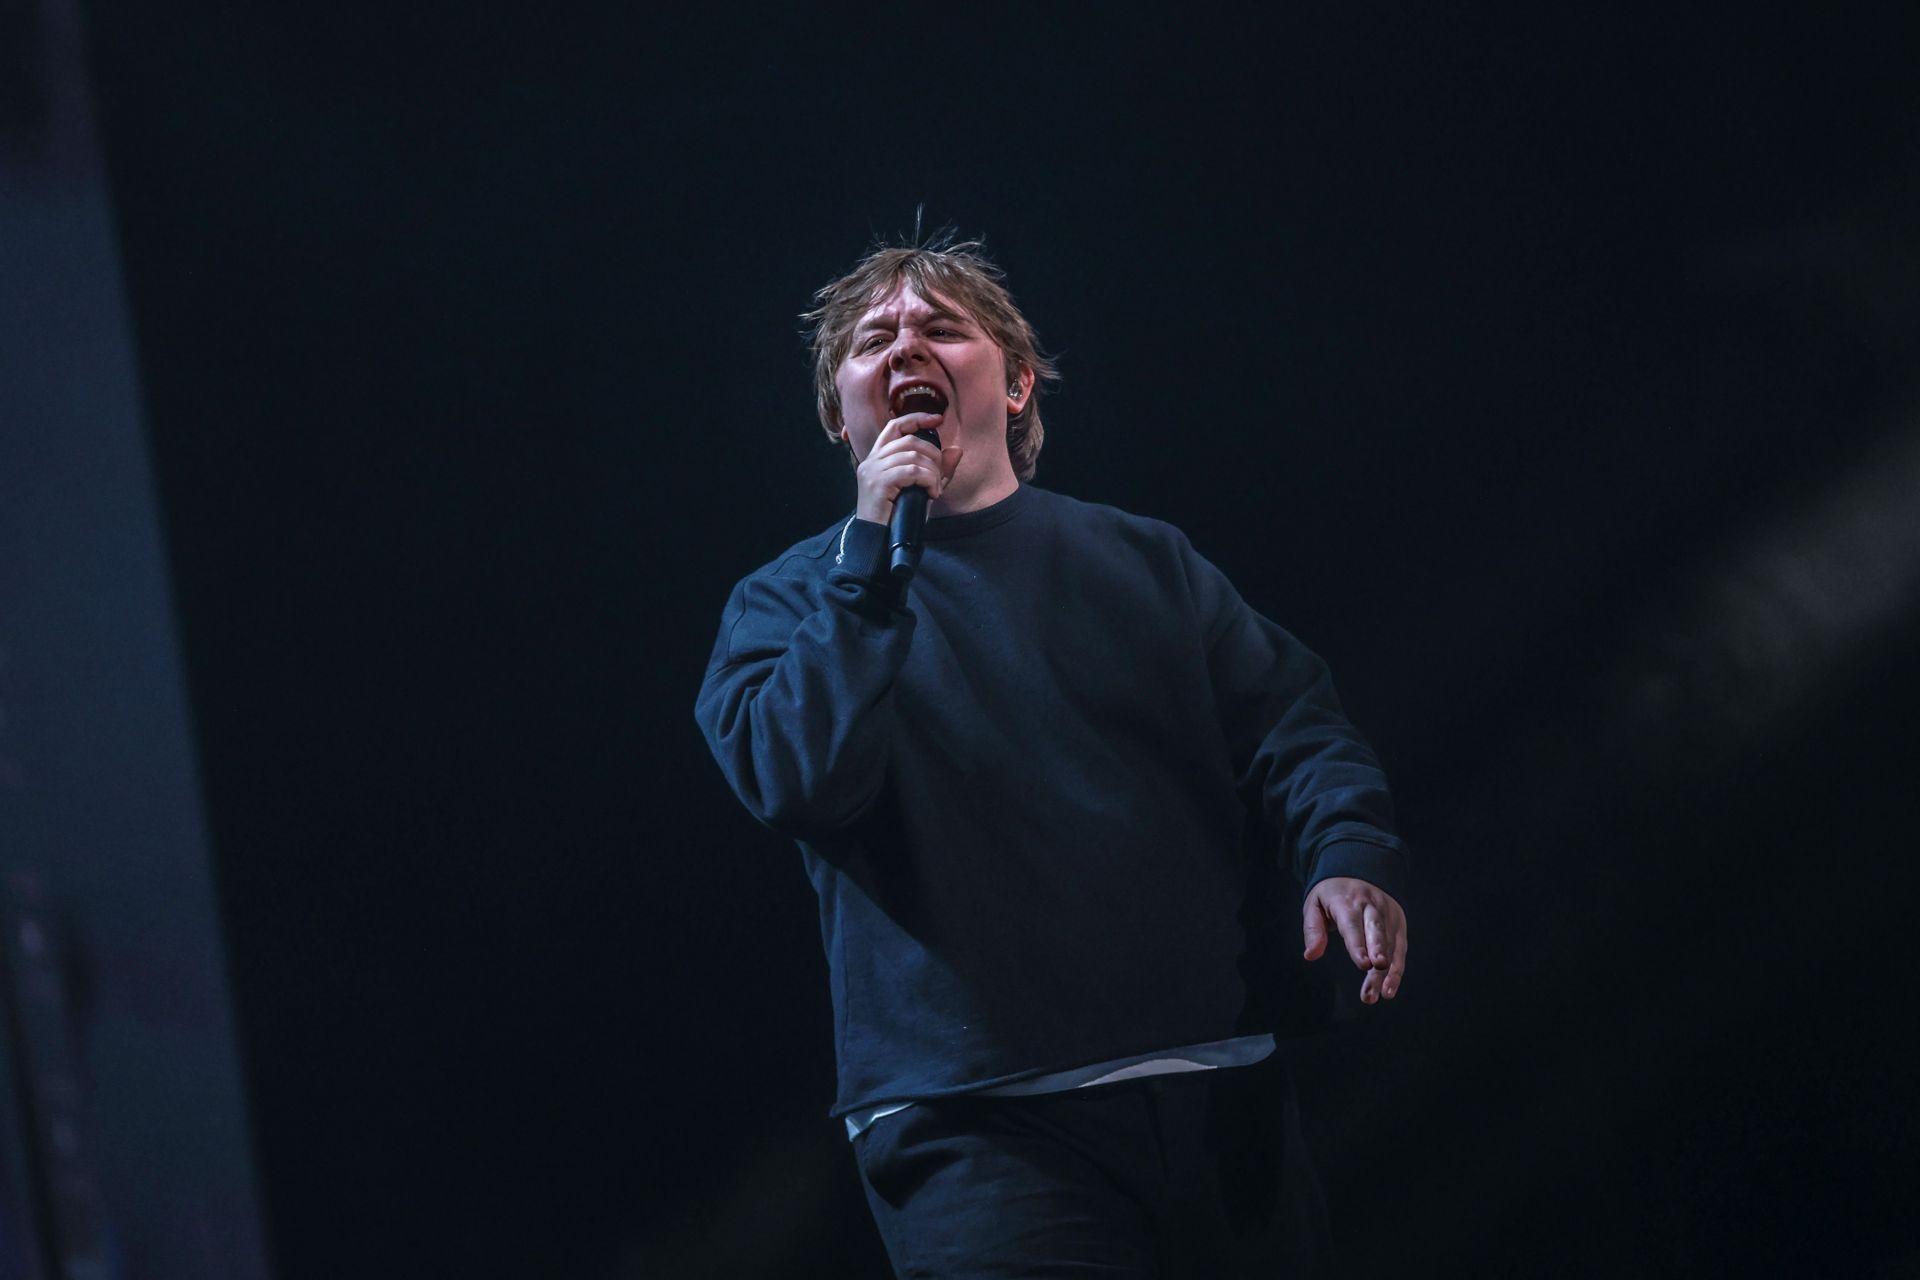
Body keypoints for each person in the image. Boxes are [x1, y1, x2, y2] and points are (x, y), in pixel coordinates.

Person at [694, 234, 1409, 1277]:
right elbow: (801, 780)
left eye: (941, 328)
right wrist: (868, 570)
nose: (905, 349)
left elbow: (1296, 725)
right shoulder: (787, 601)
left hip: (1218, 1099)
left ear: (1018, 380)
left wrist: (1349, 851)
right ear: (835, 411)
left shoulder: (1142, 560)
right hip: (976, 1129)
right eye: (872, 340)